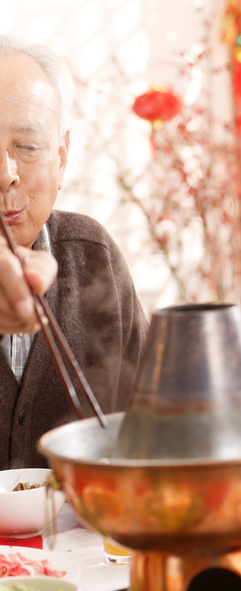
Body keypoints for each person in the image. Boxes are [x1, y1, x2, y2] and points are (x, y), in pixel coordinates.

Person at [0, 35, 148, 469]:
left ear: (62, 159)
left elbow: (151, 416)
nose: (6, 174)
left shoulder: (93, 255)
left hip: (83, 535)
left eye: (26, 148)